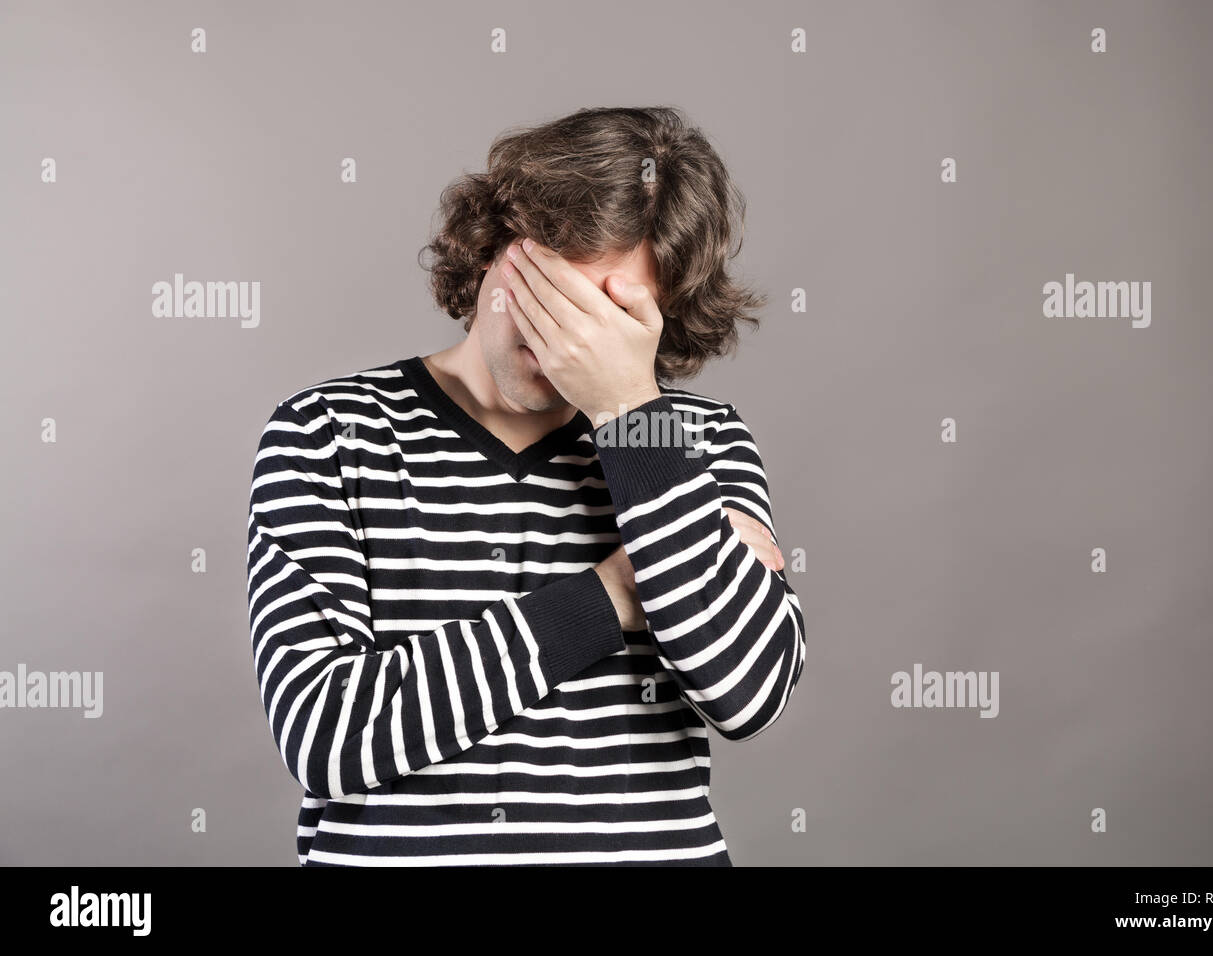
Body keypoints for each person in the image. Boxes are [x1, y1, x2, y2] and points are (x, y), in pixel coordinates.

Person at [245, 106, 806, 865]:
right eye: (550, 293)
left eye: (611, 314)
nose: (566, 338)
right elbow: (330, 735)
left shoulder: (692, 445)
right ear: (489, 248)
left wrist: (629, 411)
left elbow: (748, 691)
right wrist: (611, 596)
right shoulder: (328, 435)